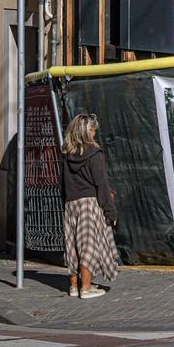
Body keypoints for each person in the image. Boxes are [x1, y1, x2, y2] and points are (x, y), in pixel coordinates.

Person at [61, 113, 119, 299]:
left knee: (72, 246)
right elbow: (101, 184)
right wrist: (110, 211)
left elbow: (62, 183)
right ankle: (85, 288)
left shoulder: (66, 153)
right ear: (88, 131)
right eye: (93, 130)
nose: (95, 134)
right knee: (88, 245)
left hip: (71, 204)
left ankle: (74, 286)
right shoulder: (95, 154)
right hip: (89, 203)